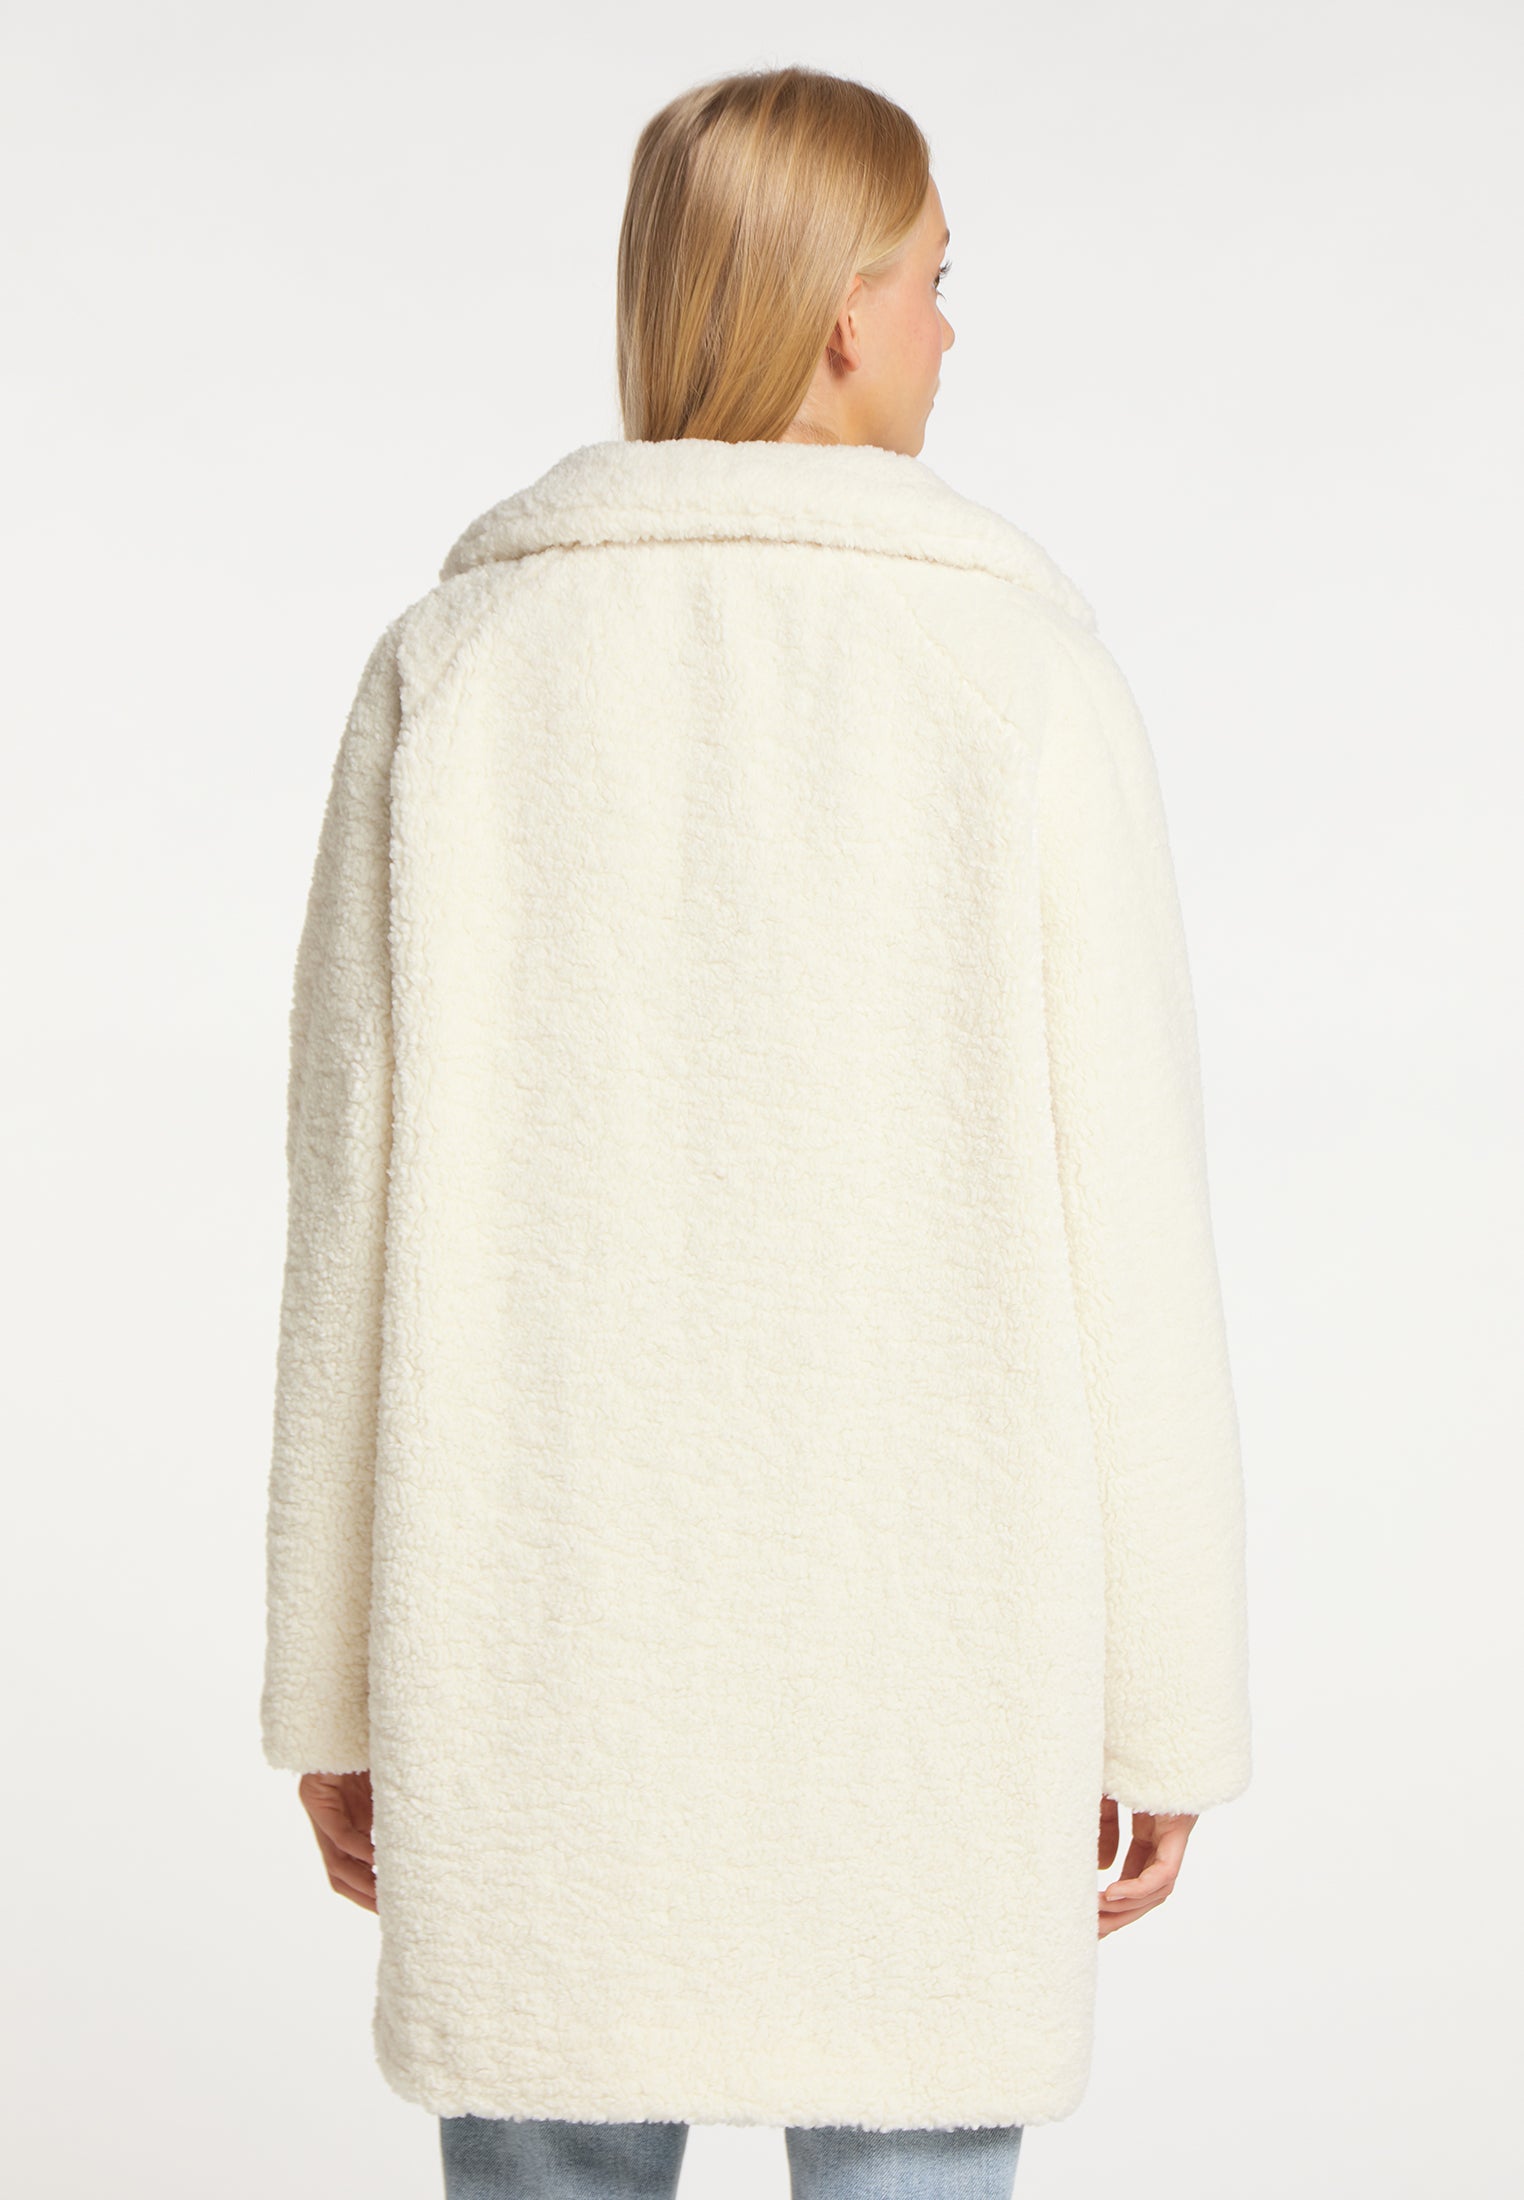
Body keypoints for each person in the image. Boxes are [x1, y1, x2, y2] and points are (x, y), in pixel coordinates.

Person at [261, 63, 1252, 2200]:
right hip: (932, 1667)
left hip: (536, 1654)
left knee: (545, 2127)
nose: (953, 334)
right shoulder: (1022, 686)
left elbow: (347, 1214)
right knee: (914, 2133)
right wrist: (1168, 1698)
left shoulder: (455, 671)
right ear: (842, 312)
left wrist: (331, 1683)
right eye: (940, 281)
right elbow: (1135, 1220)